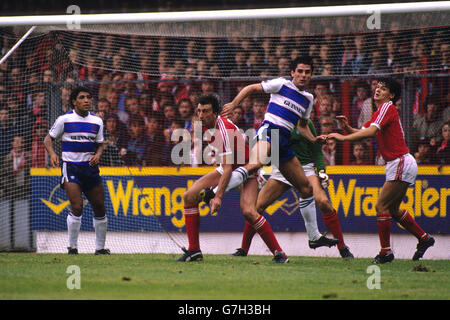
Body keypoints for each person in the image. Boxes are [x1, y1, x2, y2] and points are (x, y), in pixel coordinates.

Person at [327, 77, 435, 263]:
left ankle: (386, 252)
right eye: (377, 87)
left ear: (391, 95)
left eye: (383, 89)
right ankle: (424, 238)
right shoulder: (379, 113)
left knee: (380, 207)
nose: (378, 90)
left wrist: (342, 138)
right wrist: (347, 128)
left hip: (400, 161)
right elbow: (362, 132)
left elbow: (369, 133)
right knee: (392, 209)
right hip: (398, 163)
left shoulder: (387, 108)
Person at [178, 94, 288, 263]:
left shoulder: (224, 129)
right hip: (227, 168)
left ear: (215, 113)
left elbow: (229, 167)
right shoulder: (206, 126)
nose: (201, 115)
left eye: (205, 111)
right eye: (199, 111)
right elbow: (226, 165)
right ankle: (194, 250)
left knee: (249, 212)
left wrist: (218, 197)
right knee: (189, 196)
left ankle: (279, 254)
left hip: (247, 171)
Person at [214, 56, 324, 217]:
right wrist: (234, 104)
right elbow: (251, 88)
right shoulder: (281, 84)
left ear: (312, 75)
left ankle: (314, 237)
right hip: (270, 131)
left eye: (307, 72)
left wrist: (314, 140)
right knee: (255, 164)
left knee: (306, 188)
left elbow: (302, 125)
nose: (303, 75)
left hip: (284, 142)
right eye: (300, 71)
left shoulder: (308, 99)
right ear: (292, 73)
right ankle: (215, 192)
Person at [231, 119, 354, 259]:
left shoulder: (306, 123)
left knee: (323, 202)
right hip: (282, 170)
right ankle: (243, 250)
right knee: (256, 207)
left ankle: (342, 247)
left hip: (306, 169)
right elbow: (267, 150)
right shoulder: (276, 121)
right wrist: (263, 169)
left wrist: (321, 171)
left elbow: (317, 151)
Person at [44, 86, 110, 255]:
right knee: (77, 206)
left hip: (90, 169)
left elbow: (101, 144)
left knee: (100, 207)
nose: (86, 100)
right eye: (82, 97)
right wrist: (52, 154)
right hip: (71, 167)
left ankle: (100, 249)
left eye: (88, 97)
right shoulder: (64, 119)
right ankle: (72, 247)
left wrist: (98, 154)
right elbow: (48, 139)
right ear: (74, 101)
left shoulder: (97, 121)